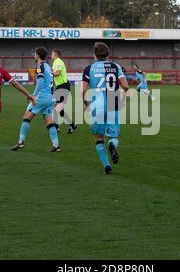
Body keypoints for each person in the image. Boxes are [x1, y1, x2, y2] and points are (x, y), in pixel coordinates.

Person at [81, 42, 130, 175]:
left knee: (98, 137)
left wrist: (86, 106)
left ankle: (107, 166)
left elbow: (83, 91)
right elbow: (126, 86)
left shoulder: (88, 69)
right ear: (108, 54)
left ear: (95, 55)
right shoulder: (116, 66)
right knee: (113, 135)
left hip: (96, 105)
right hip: (113, 103)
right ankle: (112, 144)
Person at [10, 47, 61, 152]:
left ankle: (21, 142)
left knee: (26, 118)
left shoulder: (39, 67)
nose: (34, 56)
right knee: (49, 122)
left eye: (35, 54)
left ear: (38, 56)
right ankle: (56, 145)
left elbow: (41, 82)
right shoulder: (48, 66)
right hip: (50, 98)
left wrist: (33, 95)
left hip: (41, 98)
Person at [51, 49, 78, 134]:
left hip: (63, 86)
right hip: (61, 86)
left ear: (55, 55)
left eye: (51, 54)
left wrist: (49, 72)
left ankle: (56, 127)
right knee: (57, 107)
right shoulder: (55, 62)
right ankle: (72, 125)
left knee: (55, 107)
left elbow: (57, 73)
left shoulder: (58, 62)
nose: (50, 55)